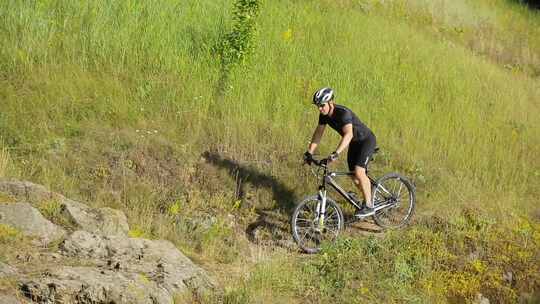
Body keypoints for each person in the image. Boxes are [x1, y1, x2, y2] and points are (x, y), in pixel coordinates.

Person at [303, 87, 377, 216]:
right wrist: (309, 152)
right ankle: (369, 197)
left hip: (366, 140)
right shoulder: (324, 115)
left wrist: (336, 153)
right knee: (354, 177)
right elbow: (318, 133)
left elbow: (348, 134)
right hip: (354, 144)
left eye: (322, 105)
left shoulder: (343, 113)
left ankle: (369, 206)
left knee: (359, 171)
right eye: (318, 106)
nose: (320, 109)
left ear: (331, 102)